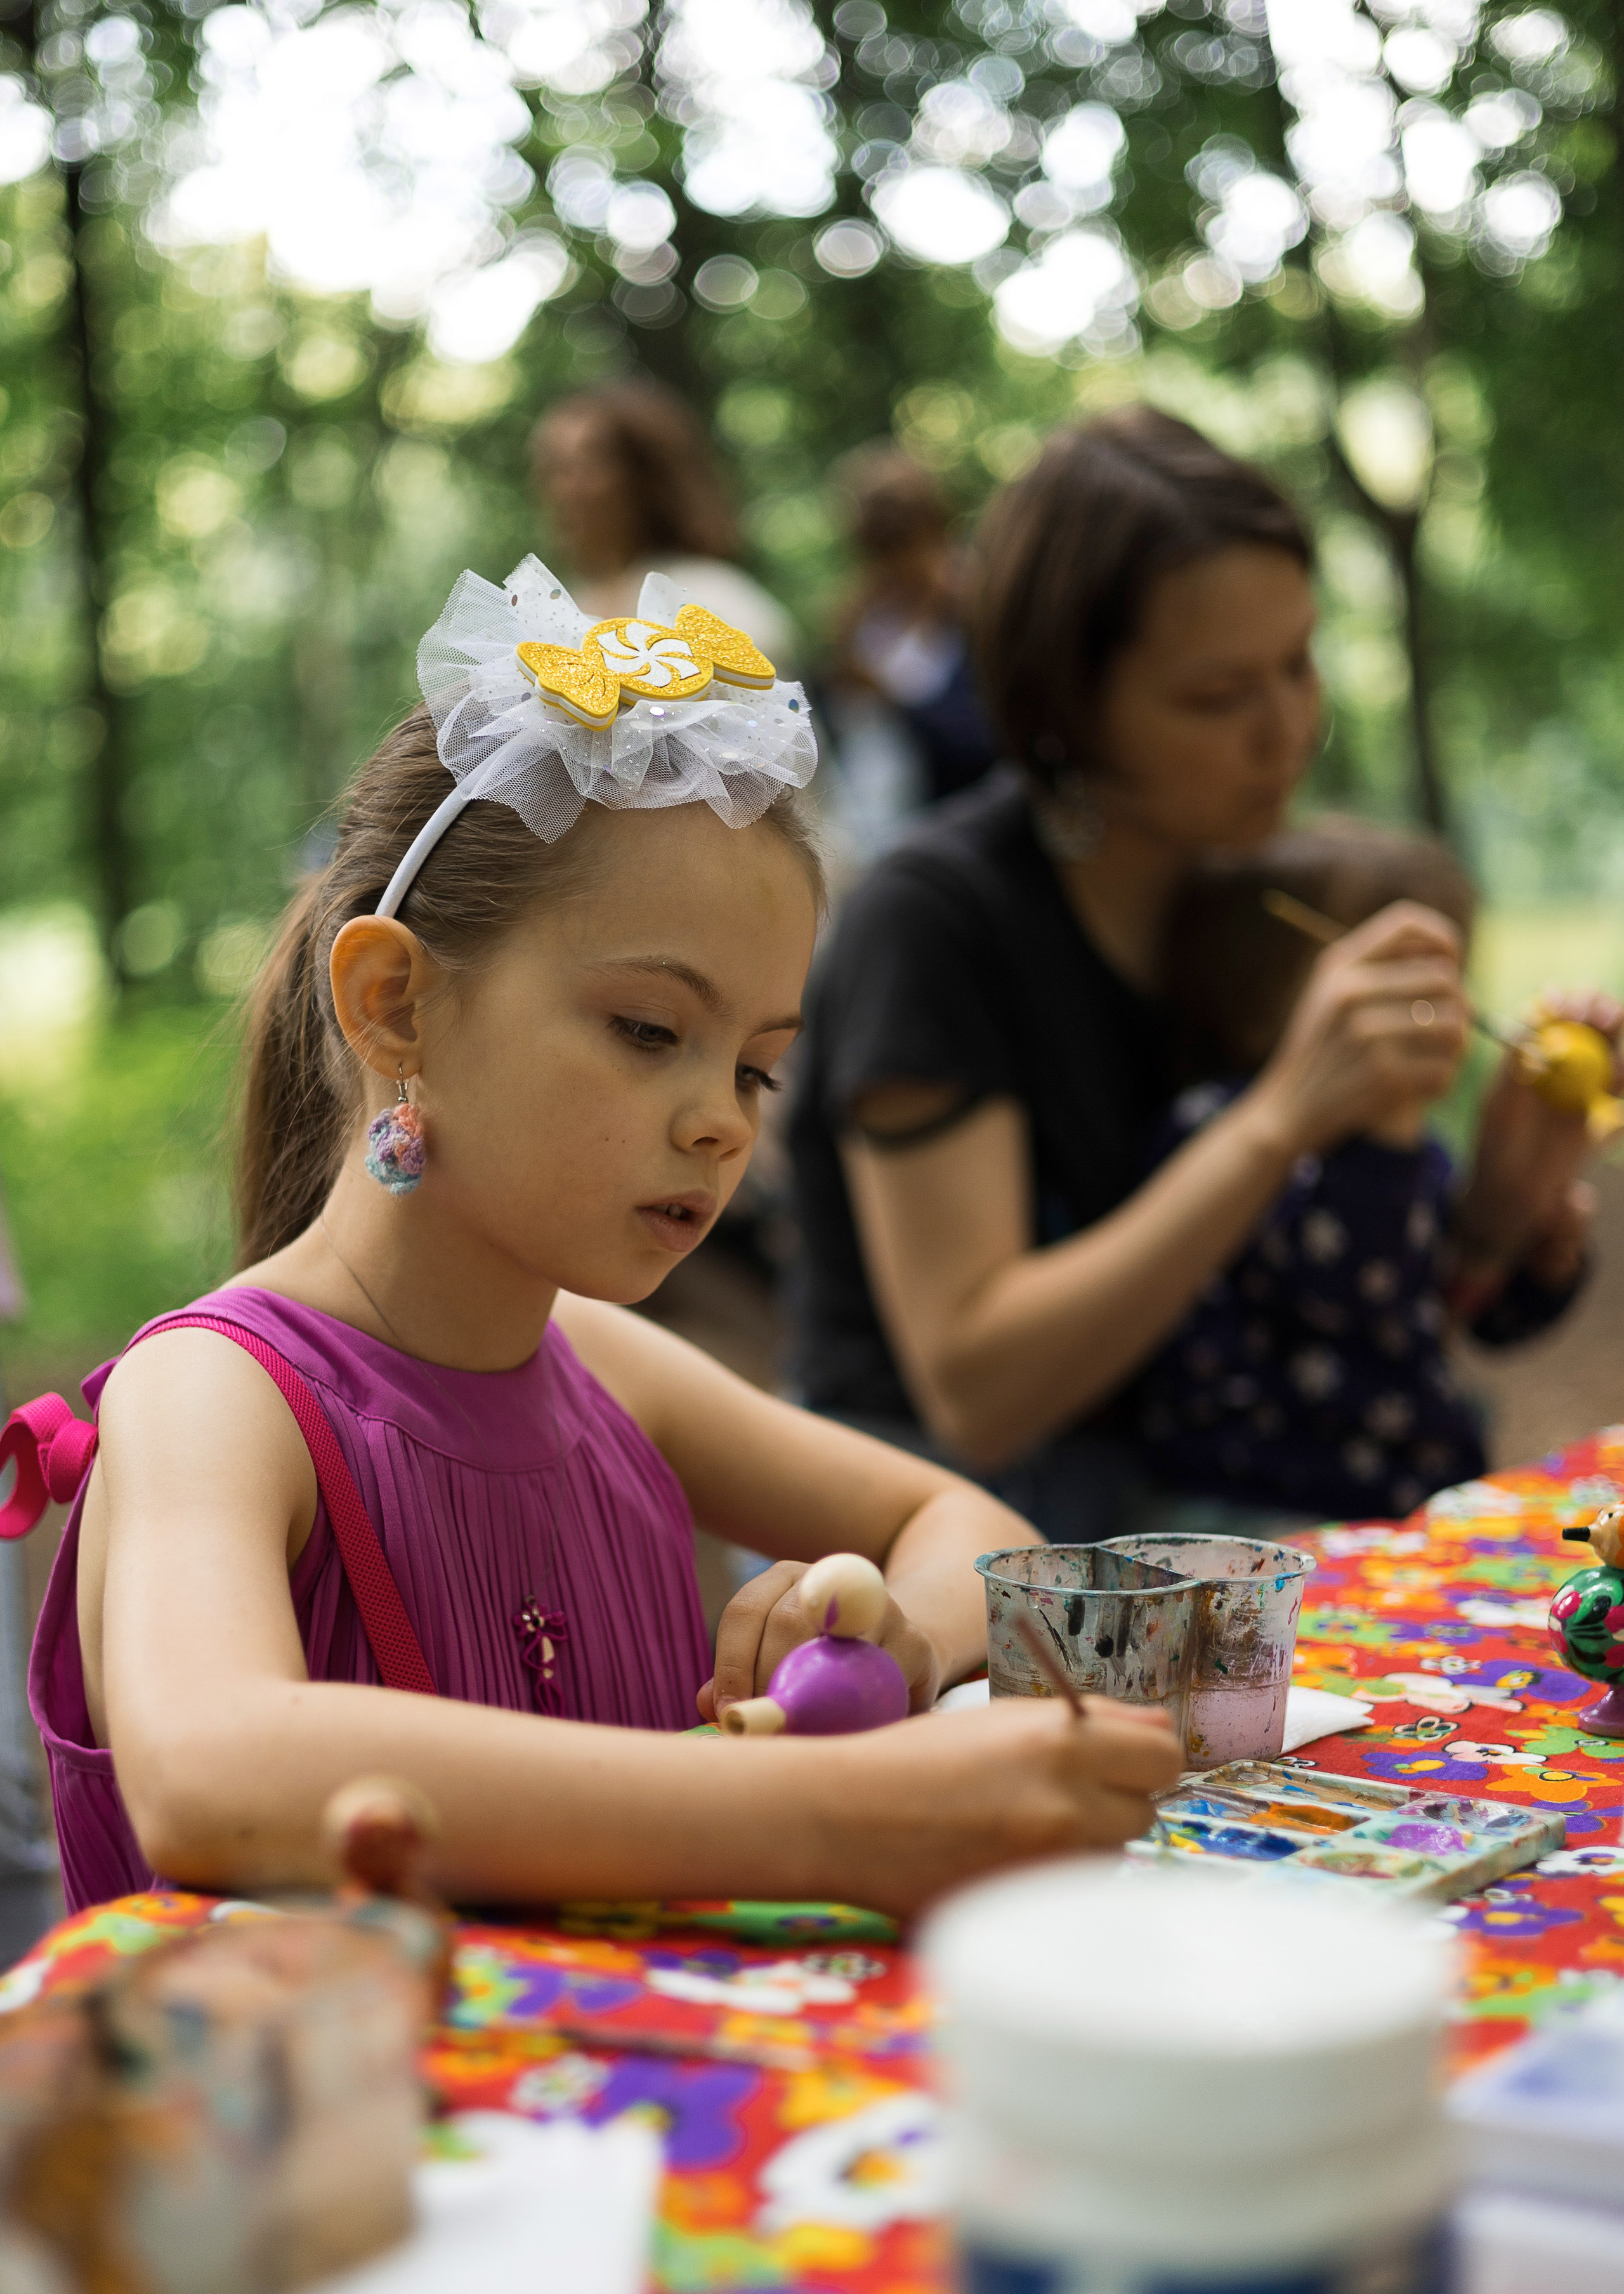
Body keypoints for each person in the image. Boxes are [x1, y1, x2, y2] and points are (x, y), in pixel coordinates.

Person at [21, 549, 1177, 1918]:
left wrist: (880, 1629)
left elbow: (968, 1525)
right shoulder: (217, 1394)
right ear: (391, 1003)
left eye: (754, 1066)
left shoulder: (602, 1365)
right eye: (647, 1032)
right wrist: (827, 1814)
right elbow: (215, 1768)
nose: (722, 1126)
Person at [788, 409, 1601, 1541]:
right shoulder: (933, 928)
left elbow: (1301, 1334)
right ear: (1062, 707)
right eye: (1218, 696)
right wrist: (1279, 1120)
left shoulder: (1248, 895)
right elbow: (975, 1391)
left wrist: (1492, 1223)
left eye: (1300, 661)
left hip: (1191, 1505)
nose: (1290, 729)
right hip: (943, 1534)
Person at [1134, 820, 1609, 1524]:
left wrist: (1536, 1257)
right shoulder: (1215, 1128)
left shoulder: (1415, 1152)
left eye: (1449, 976)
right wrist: (1391, 1134)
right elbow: (1346, 1286)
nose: (1444, 1010)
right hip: (1249, 1513)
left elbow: (1458, 1312)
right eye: (1400, 981)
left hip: (1396, 1494)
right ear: (1262, 1000)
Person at [530, 379, 798, 672]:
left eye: (590, 465)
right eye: (555, 468)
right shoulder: (563, 608)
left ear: (647, 478)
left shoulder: (712, 599)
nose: (565, 490)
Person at [824, 447, 997, 856]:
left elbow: (982, 733)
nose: (897, 563)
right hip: (885, 813)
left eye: (904, 540)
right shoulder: (861, 615)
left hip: (965, 810)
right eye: (882, 548)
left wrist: (891, 698)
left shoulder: (971, 601)